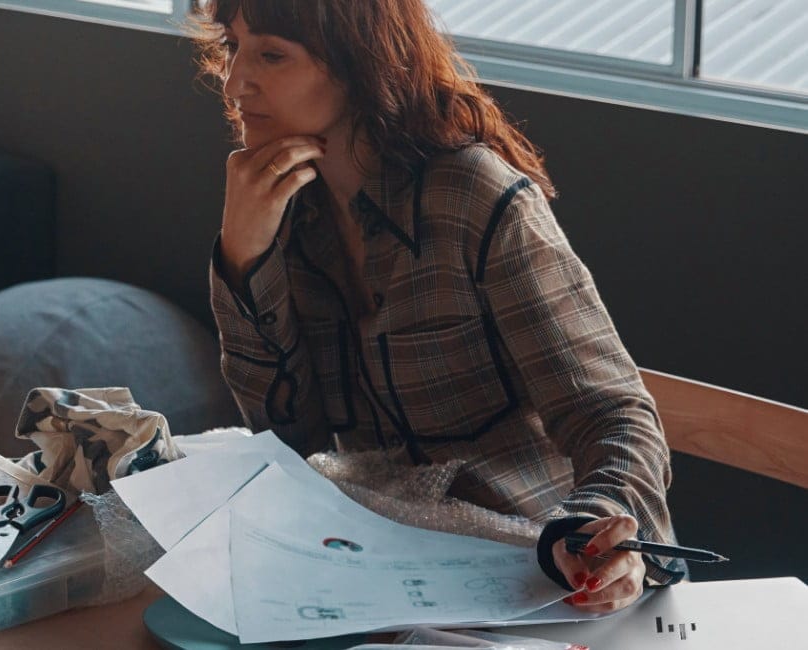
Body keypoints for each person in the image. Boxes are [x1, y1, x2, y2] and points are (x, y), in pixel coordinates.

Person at [194, 0, 682, 613]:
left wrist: (604, 524)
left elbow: (610, 413)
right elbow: (293, 437)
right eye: (232, 47)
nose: (235, 81)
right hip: (387, 566)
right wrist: (244, 259)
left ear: (356, 63)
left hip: (536, 568)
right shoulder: (281, 205)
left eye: (270, 54)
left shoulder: (475, 197)